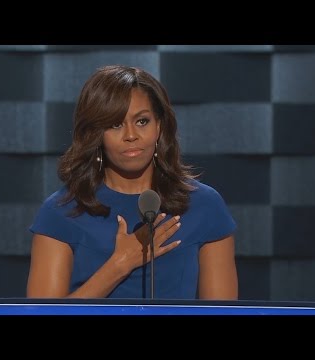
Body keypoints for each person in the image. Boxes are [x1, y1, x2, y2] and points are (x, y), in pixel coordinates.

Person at [26, 65, 238, 300]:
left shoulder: (203, 205)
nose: (131, 135)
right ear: (96, 134)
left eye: (142, 121)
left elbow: (224, 310)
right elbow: (41, 312)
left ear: (159, 126)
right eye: (115, 124)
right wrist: (119, 265)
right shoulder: (61, 212)